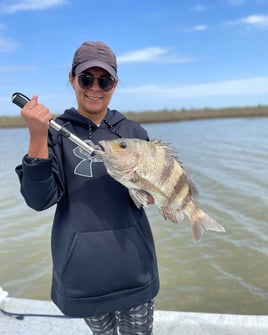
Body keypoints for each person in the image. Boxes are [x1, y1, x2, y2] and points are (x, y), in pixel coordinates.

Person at [15, 41, 159, 334]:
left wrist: (154, 192)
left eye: (104, 80)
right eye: (86, 78)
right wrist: (37, 136)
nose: (95, 87)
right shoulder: (55, 133)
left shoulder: (133, 132)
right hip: (85, 273)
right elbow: (39, 200)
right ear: (72, 79)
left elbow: (149, 194)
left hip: (134, 268)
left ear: (115, 85)